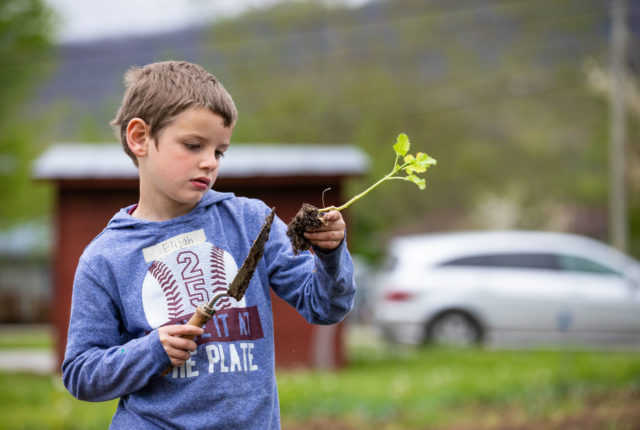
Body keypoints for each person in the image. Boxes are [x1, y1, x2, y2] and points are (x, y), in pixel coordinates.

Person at [62, 61, 356, 429]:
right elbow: (80, 373)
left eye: (219, 152)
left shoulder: (250, 221)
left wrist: (330, 255)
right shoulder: (105, 256)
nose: (208, 162)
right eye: (193, 145)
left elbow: (325, 306)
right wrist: (151, 351)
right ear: (139, 138)